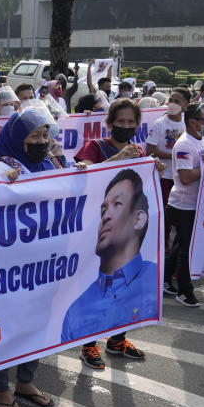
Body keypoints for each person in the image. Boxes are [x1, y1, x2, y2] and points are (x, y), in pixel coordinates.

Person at [0, 108, 60, 407]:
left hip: (44, 267)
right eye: (34, 136)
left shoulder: (49, 165)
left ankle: (25, 382)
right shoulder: (0, 170)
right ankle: (2, 388)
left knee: (35, 326)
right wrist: (4, 190)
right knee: (5, 327)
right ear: (17, 138)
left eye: (45, 135)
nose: (42, 141)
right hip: (8, 270)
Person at [73, 99, 161, 368]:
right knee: (97, 287)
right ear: (109, 123)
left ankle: (117, 339)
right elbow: (82, 173)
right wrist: (117, 159)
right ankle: (89, 344)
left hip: (127, 236)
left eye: (131, 122)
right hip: (96, 231)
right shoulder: (95, 146)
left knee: (127, 287)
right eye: (120, 122)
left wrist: (153, 169)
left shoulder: (138, 150)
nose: (126, 126)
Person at [61, 168, 156, 342]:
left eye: (117, 204)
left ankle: (117, 343)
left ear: (139, 219)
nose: (105, 216)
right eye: (103, 211)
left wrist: (154, 170)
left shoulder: (154, 280)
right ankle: (89, 348)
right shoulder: (75, 311)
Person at [163, 100, 204, 307]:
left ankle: (163, 279)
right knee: (187, 249)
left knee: (182, 244)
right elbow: (186, 177)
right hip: (183, 205)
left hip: (199, 204)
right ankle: (184, 291)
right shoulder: (184, 144)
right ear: (192, 122)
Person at [147, 87, 189, 233]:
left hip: (183, 177)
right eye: (170, 100)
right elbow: (150, 150)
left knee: (183, 213)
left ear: (186, 104)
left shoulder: (188, 124)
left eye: (177, 101)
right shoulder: (159, 124)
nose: (172, 104)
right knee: (164, 212)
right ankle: (164, 245)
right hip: (165, 176)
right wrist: (175, 155)